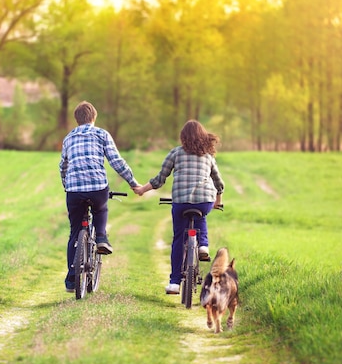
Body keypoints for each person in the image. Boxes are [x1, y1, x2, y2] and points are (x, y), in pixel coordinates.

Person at [134, 120, 224, 295]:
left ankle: (174, 283)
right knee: (201, 217)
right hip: (205, 201)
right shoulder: (208, 156)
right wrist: (217, 199)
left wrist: (143, 189)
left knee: (178, 240)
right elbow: (218, 182)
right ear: (203, 137)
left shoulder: (175, 153)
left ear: (183, 137)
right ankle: (203, 246)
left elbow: (160, 178)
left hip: (181, 203)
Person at [59, 101, 140, 293]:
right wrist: (133, 182)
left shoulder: (68, 138)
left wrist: (67, 186)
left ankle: (71, 280)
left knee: (74, 232)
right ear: (94, 117)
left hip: (74, 191)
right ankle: (101, 237)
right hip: (97, 187)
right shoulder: (101, 134)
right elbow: (116, 161)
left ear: (76, 119)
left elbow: (63, 166)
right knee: (101, 208)